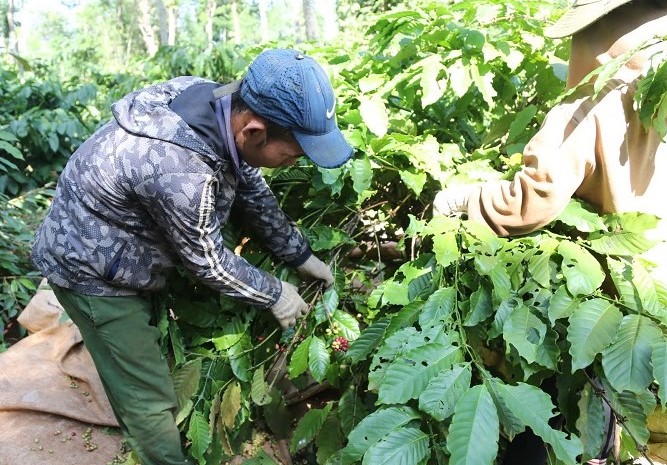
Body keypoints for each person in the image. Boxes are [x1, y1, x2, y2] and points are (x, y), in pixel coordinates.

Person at [30, 48, 353, 465]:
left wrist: (299, 252)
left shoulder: (214, 101)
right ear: (253, 131)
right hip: (92, 271)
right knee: (148, 399)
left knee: (142, 367)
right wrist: (276, 293)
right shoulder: (180, 170)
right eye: (293, 153)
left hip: (122, 237)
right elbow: (208, 261)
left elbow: (249, 184)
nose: (298, 161)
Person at [433, 0, 667, 464]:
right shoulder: (659, 91)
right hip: (654, 283)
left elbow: (530, 202)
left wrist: (463, 198)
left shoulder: (593, 102)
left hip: (612, 293)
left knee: (573, 401)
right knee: (637, 420)